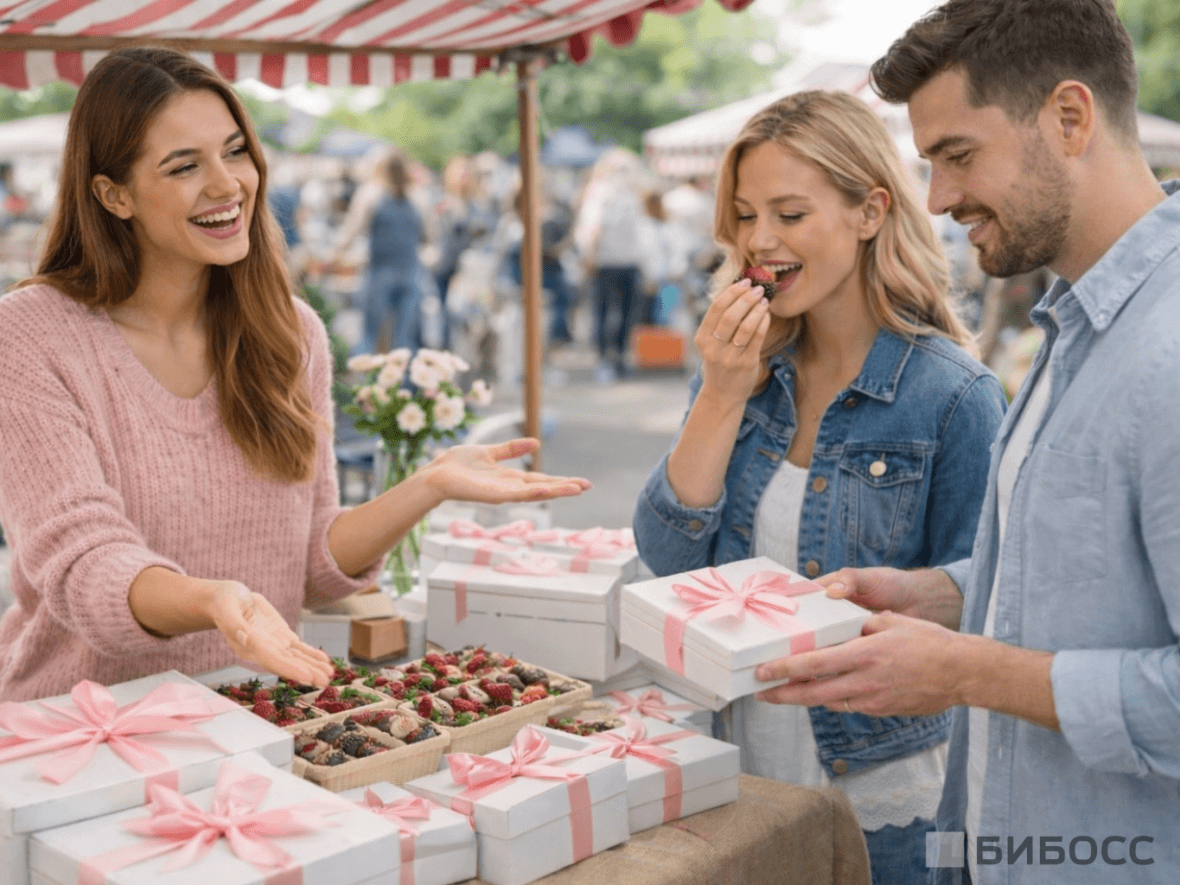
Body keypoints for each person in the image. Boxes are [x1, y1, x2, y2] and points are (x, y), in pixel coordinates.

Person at [0, 47, 590, 704]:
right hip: (76, 731)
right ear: (114, 195)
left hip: (253, 721)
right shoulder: (30, 334)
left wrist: (428, 484)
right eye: (184, 165)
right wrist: (212, 599)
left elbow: (307, 558)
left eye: (235, 151)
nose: (228, 185)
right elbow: (83, 563)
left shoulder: (290, 331)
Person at [754, 2, 1180, 882]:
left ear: (1070, 118)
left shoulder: (1165, 351)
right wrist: (938, 596)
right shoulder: (1081, 324)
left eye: (957, 155)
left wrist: (964, 671)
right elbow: (1082, 585)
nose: (939, 199)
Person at [632, 90, 1006, 885]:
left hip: (886, 792)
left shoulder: (953, 397)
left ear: (870, 212)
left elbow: (986, 599)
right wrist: (721, 392)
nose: (758, 242)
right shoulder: (749, 373)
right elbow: (668, 561)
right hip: (738, 771)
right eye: (742, 215)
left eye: (789, 214)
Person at [330, 149, 426, 354]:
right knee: (404, 340)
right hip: (411, 272)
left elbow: (350, 231)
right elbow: (427, 236)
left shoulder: (371, 194)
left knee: (369, 335)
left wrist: (333, 255)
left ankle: (364, 384)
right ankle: (404, 385)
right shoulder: (417, 197)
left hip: (379, 273)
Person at [573, 148, 645, 383]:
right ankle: (610, 359)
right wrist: (590, 256)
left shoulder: (626, 194)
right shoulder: (606, 193)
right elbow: (593, 229)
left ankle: (614, 358)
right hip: (610, 263)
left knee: (616, 313)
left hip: (620, 263)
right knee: (611, 313)